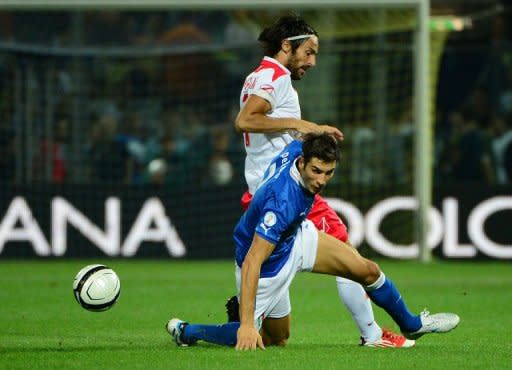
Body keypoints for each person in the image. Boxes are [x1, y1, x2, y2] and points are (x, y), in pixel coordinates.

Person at [166, 133, 460, 350]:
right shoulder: (283, 203)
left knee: (367, 270)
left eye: (328, 173)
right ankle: (189, 331)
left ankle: (410, 324)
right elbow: (253, 260)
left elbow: (300, 135)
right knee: (271, 338)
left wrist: (319, 129)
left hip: (297, 237)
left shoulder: (297, 149)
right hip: (268, 265)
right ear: (303, 163)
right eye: (316, 171)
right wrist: (245, 325)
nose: (320, 180)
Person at [227, 14, 411, 347]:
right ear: (287, 46)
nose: (312, 61)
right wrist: (305, 124)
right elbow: (245, 120)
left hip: (265, 187)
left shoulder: (258, 75)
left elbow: (270, 128)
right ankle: (374, 334)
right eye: (308, 52)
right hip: (286, 190)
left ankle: (233, 318)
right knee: (354, 262)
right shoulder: (276, 77)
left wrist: (308, 131)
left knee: (278, 337)